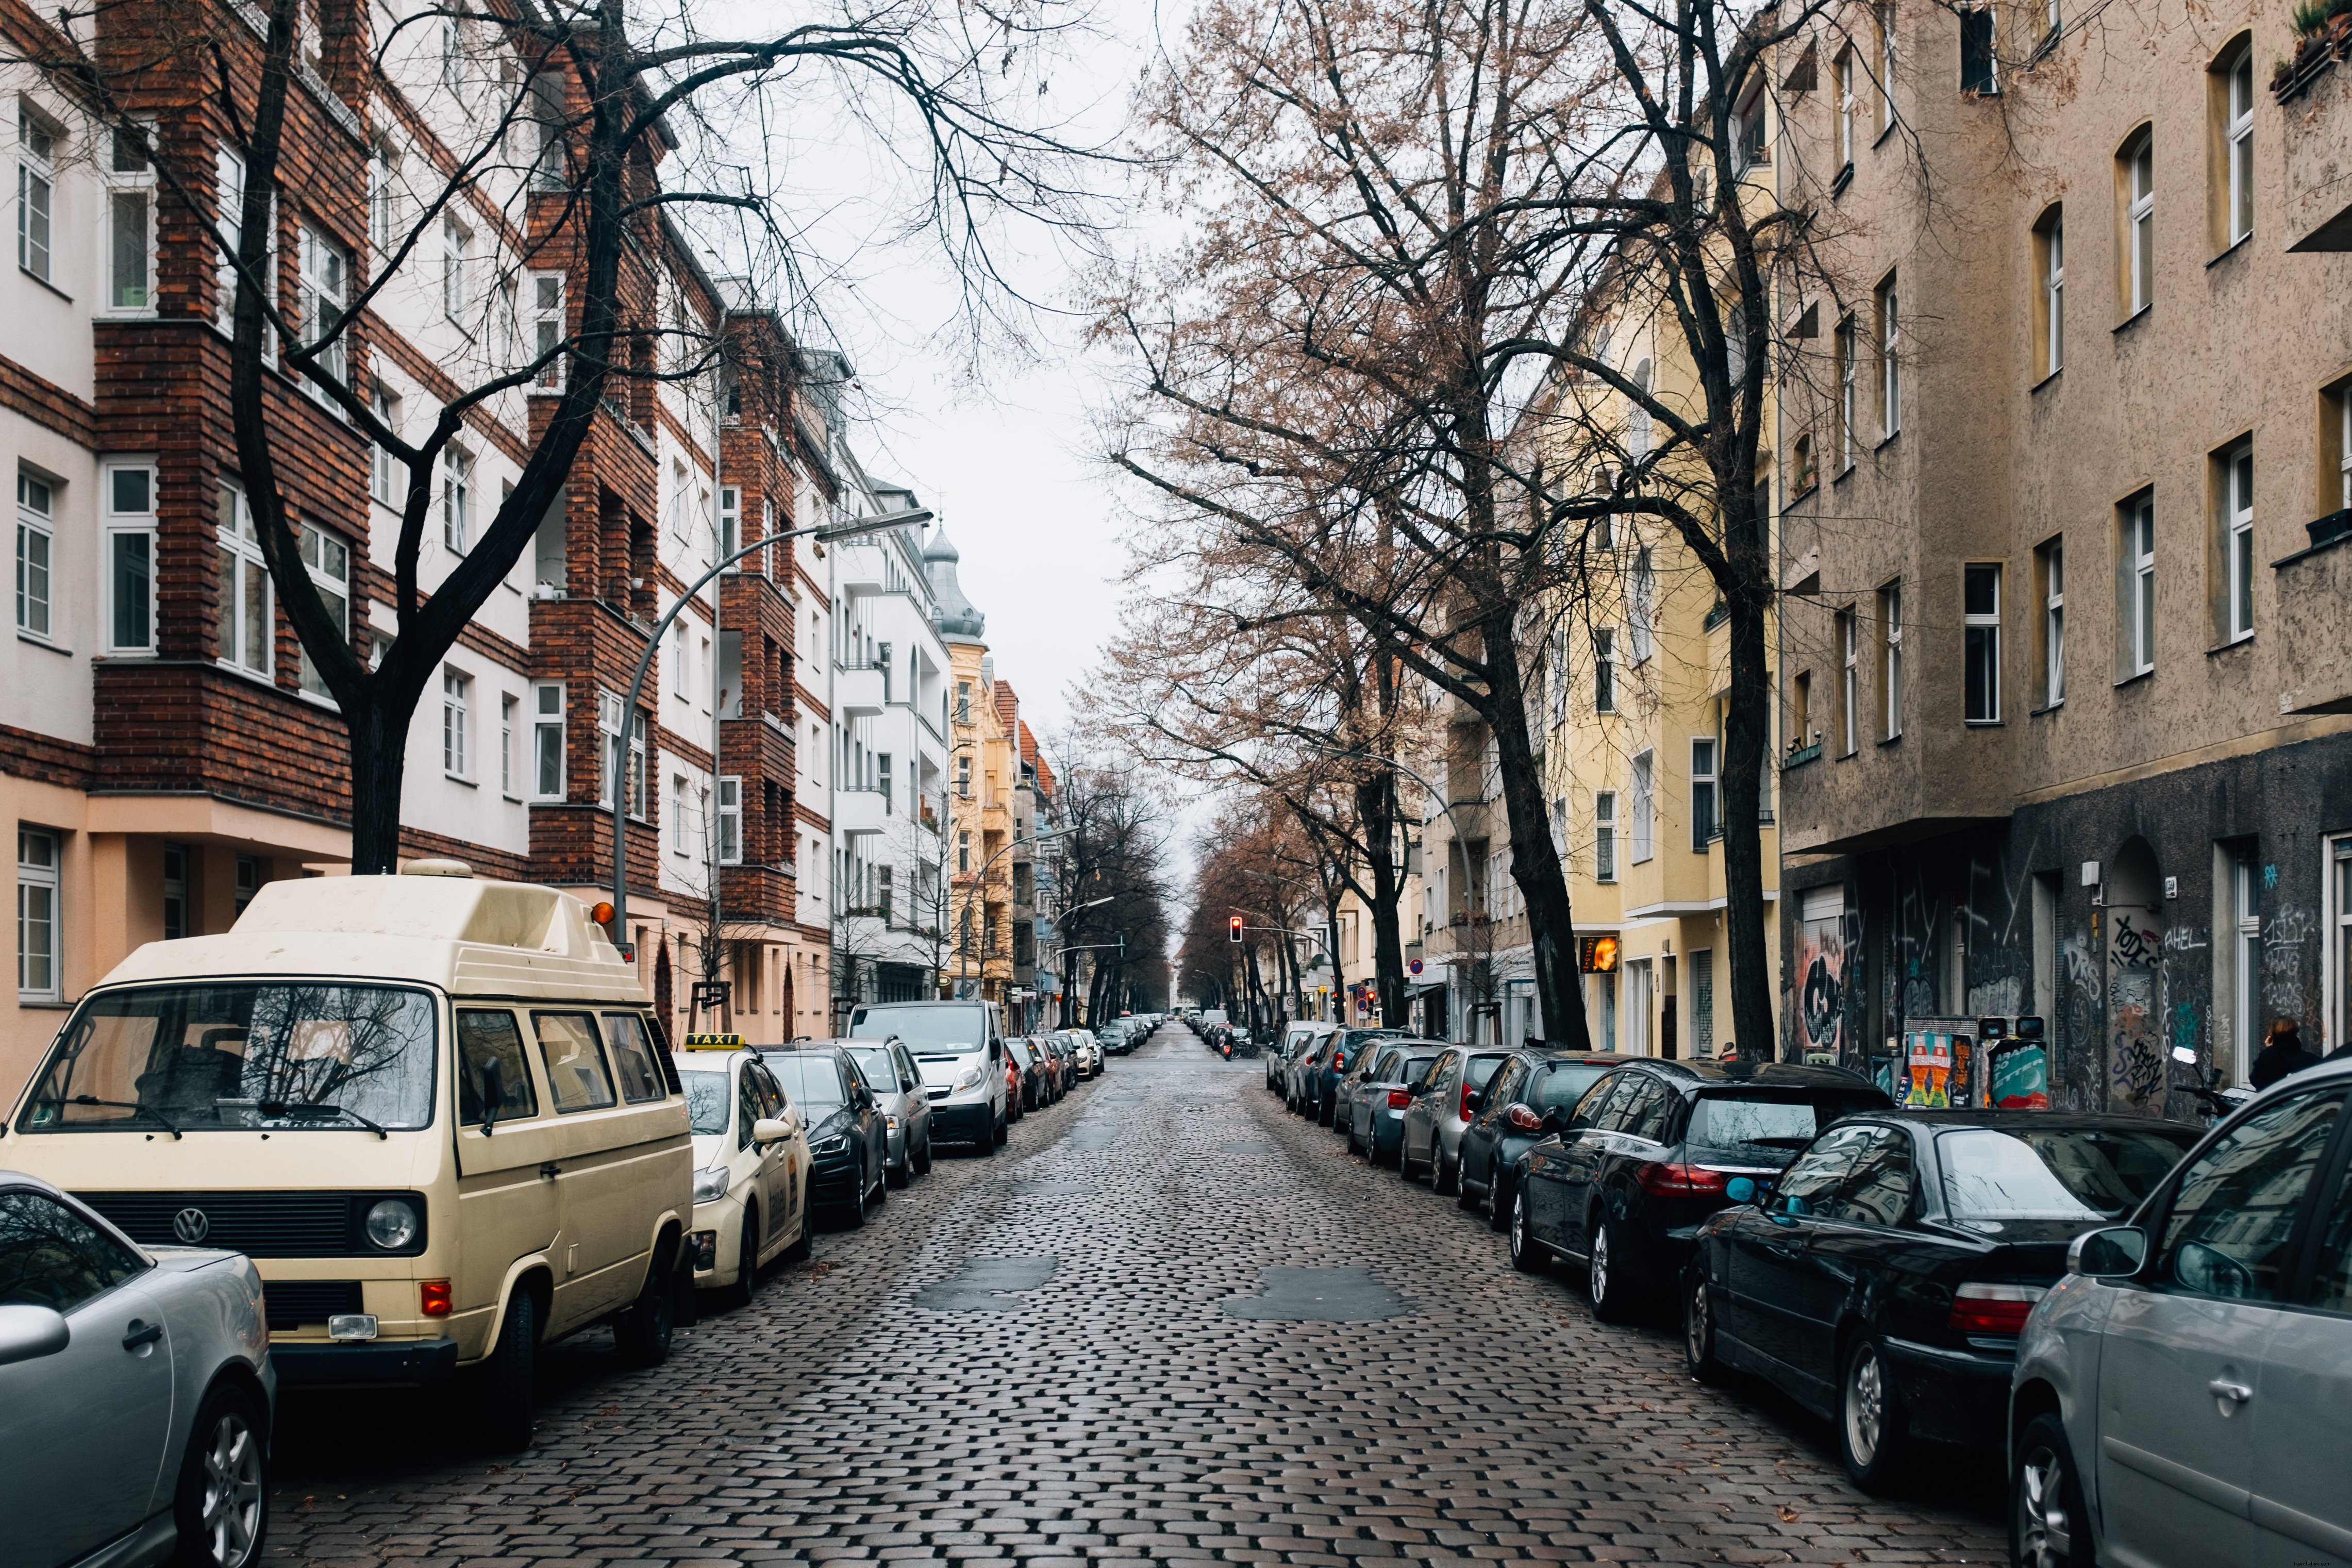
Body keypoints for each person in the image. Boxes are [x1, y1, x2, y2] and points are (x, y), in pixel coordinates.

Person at [2250, 1018, 2321, 1089]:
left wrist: (2270, 1050)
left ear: (2271, 1034)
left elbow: (2255, 1081)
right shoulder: (2311, 1060)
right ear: (2296, 1032)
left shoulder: (2266, 1059)